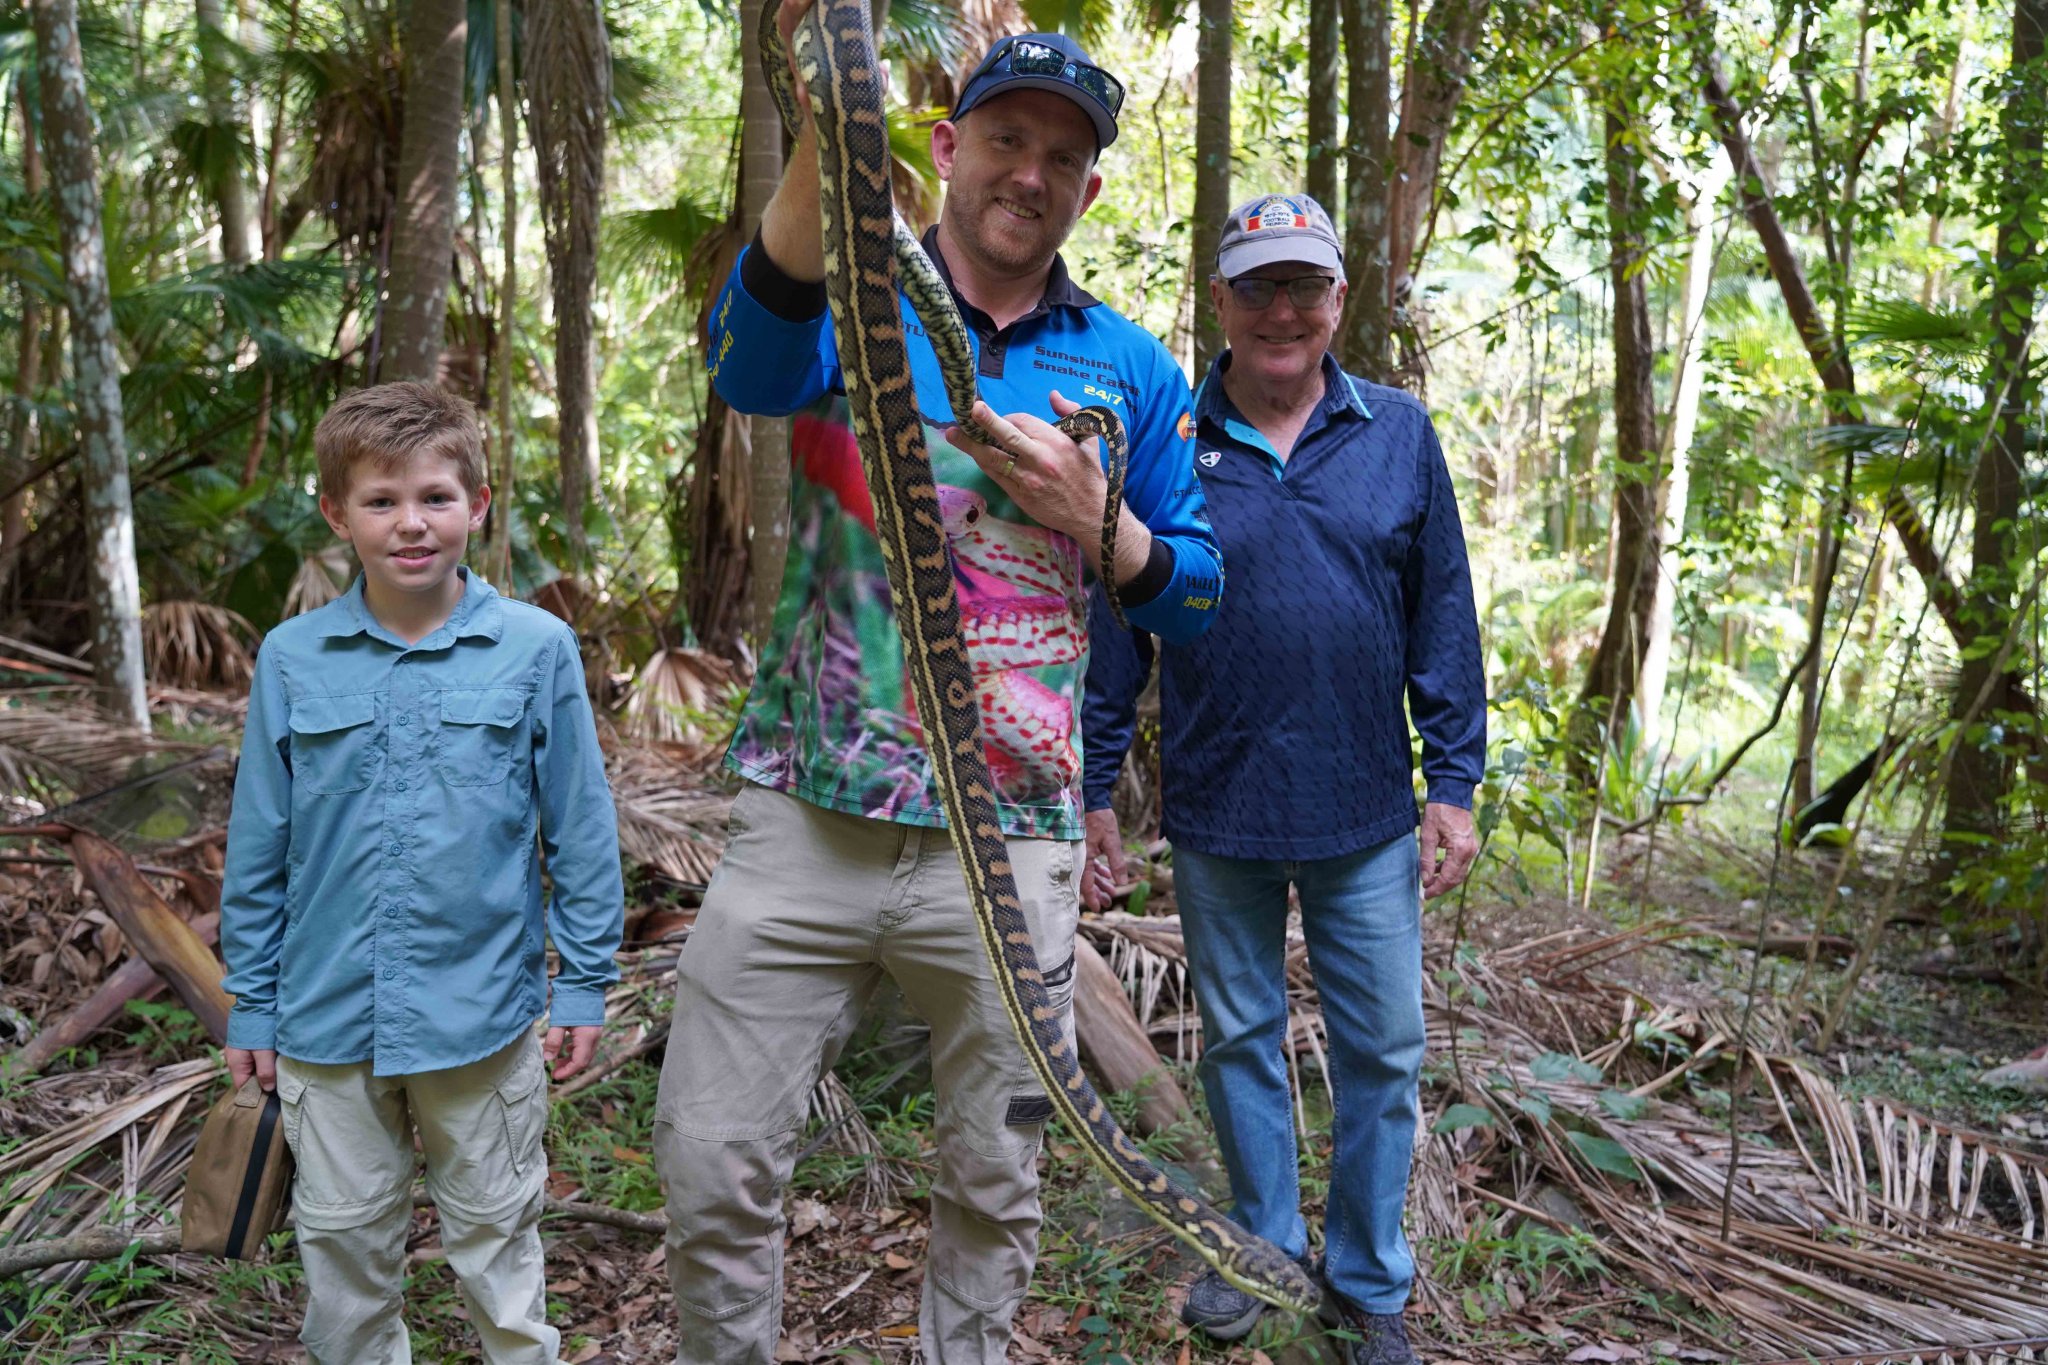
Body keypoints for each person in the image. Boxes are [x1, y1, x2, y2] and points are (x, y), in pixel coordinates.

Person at [651, 7, 1223, 1362]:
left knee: (997, 1173)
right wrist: (824, 131)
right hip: (810, 811)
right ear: (950, 146)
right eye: (1007, 138)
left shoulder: (1132, 367)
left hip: (1013, 845)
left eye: (1062, 157)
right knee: (712, 1159)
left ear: (1090, 189)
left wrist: (1103, 520)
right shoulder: (861, 297)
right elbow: (750, 364)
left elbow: (1197, 596)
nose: (1030, 172)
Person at [1081, 194, 1486, 1365]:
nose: (1280, 309)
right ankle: (1257, 1253)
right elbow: (1121, 622)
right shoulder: (1167, 436)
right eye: (1256, 286)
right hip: (1220, 805)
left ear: (1336, 302)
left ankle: (1366, 1283)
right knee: (1241, 1037)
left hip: (1364, 812)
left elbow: (1440, 613)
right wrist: (1095, 784)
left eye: (1302, 286)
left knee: (1383, 1053)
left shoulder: (1396, 432)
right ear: (1219, 300)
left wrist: (1449, 779)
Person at [219, 382, 624, 1364]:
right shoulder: (291, 657)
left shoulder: (533, 648)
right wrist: (253, 1005)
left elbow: (578, 824)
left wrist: (586, 979)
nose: (411, 524)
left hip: (478, 1016)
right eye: (381, 500)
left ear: (478, 505)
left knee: (498, 1249)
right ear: (335, 514)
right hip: (325, 1020)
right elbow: (260, 844)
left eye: (436, 497)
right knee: (345, 1259)